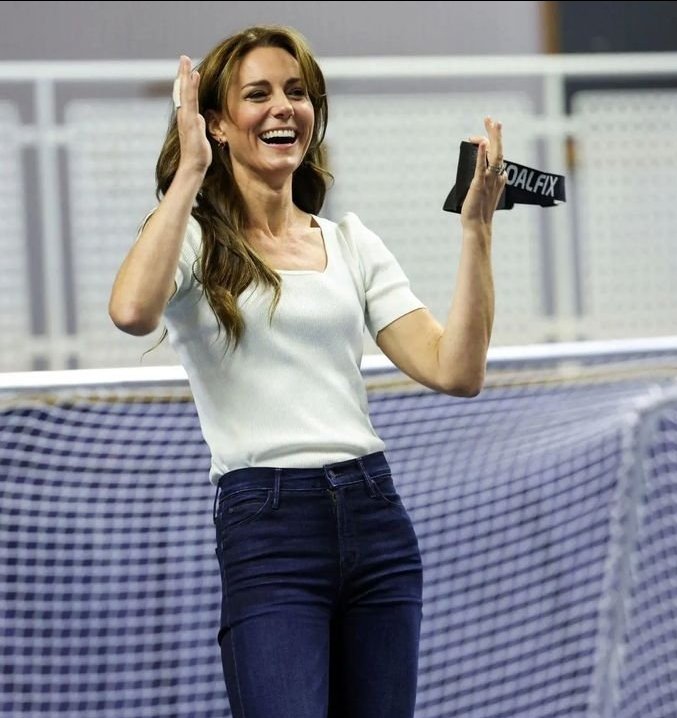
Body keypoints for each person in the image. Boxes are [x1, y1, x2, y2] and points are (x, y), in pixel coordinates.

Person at [108, 24, 506, 718]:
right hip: (268, 527)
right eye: (257, 94)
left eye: (296, 92)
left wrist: (477, 230)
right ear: (218, 124)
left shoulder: (351, 242)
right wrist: (190, 170)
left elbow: (457, 370)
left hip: (374, 513)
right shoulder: (189, 238)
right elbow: (132, 312)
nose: (283, 107)